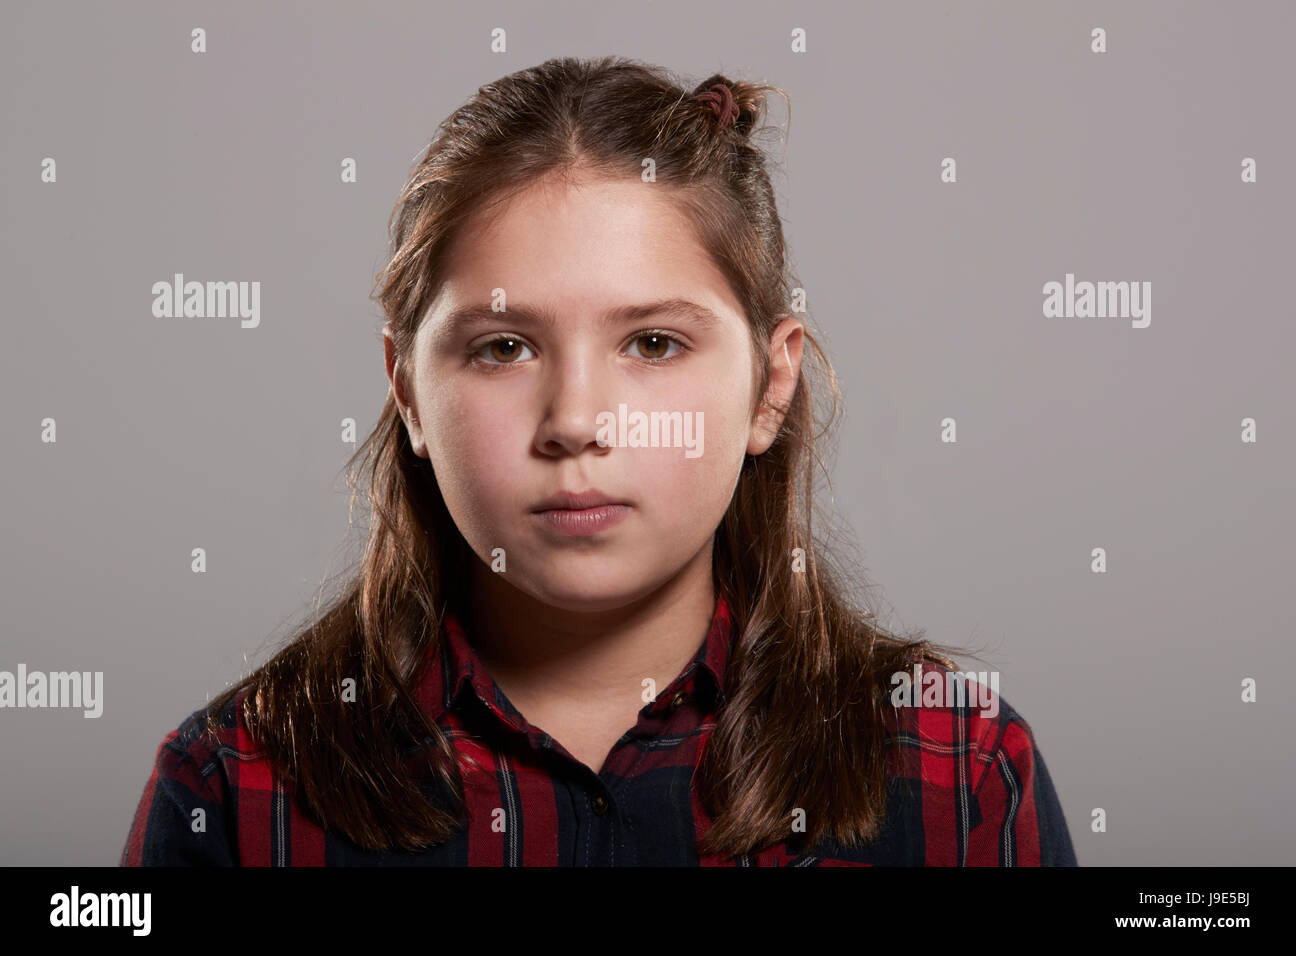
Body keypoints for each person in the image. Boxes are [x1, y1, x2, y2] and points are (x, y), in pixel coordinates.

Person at [120, 55, 1075, 866]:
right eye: (503, 347)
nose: (576, 422)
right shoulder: (235, 785)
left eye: (654, 344)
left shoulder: (957, 767)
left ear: (769, 388)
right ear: (408, 390)